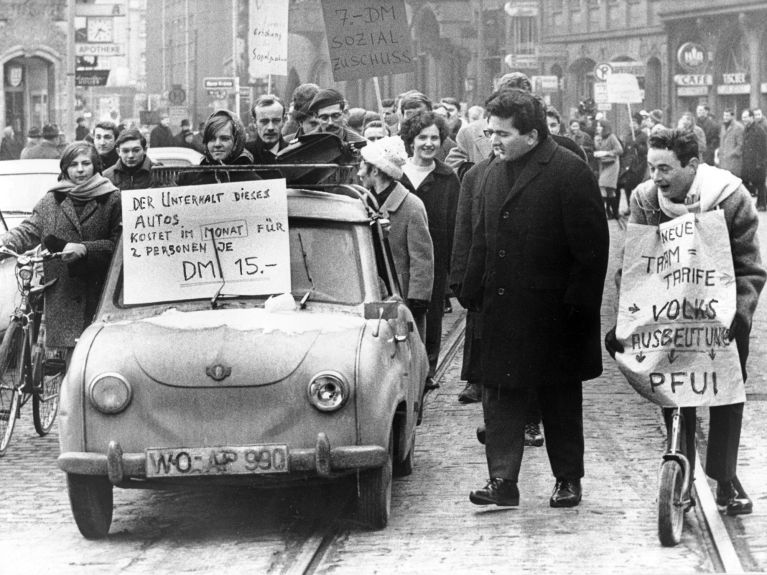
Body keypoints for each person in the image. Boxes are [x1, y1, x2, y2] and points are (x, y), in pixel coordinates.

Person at [460, 88, 608, 508]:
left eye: (502, 134)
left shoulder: (568, 172)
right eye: (490, 132)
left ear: (532, 134)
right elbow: (482, 240)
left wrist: (576, 312)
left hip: (554, 316)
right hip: (502, 310)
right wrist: (470, 291)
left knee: (559, 399)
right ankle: (502, 481)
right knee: (501, 398)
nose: (493, 141)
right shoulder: (490, 173)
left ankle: (567, 479)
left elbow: (591, 253)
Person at [605, 129, 765, 515]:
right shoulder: (645, 198)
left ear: (693, 165)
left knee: (725, 393)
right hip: (667, 312)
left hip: (720, 315)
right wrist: (627, 321)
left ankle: (725, 477)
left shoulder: (730, 197)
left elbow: (749, 267)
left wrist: (739, 315)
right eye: (652, 167)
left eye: (665, 169)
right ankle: (683, 466)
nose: (656, 177)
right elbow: (638, 265)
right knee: (674, 388)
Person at [0, 141, 121, 365]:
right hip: (62, 293)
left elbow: (120, 244)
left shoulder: (112, 199)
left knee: (97, 362)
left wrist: (86, 248)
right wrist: (4, 243)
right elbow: (29, 230)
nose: (81, 169)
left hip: (99, 293)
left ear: (96, 166)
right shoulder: (52, 200)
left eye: (86, 163)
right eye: (74, 164)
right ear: (65, 168)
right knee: (64, 365)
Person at [399, 111, 460, 391]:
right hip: (399, 259)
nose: (428, 143)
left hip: (434, 261)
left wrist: (451, 268)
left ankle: (426, 370)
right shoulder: (397, 175)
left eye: (434, 137)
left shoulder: (448, 178)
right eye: (422, 137)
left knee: (431, 315)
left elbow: (455, 223)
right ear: (411, 140)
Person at [357, 136, 434, 336]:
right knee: (375, 344)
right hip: (371, 293)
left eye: (362, 167)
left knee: (402, 349)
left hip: (400, 298)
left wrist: (417, 300)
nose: (358, 173)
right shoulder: (362, 204)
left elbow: (422, 258)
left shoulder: (412, 206)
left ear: (374, 170)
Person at [176, 109, 259, 186]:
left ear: (236, 142)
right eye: (211, 139)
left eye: (224, 139)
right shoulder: (191, 179)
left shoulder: (253, 183)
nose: (217, 144)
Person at [617, 113, 648, 213]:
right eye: (631, 122)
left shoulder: (643, 136)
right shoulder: (628, 136)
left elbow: (645, 150)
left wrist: (638, 146)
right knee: (627, 186)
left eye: (635, 122)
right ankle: (630, 207)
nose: (633, 124)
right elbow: (625, 150)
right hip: (628, 165)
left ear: (639, 124)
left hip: (639, 165)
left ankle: (639, 208)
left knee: (637, 186)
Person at [244, 94, 289, 163]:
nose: (270, 128)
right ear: (254, 122)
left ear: (284, 120)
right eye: (264, 121)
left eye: (276, 121)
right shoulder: (244, 155)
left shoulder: (293, 153)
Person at [594, 119, 623, 219]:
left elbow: (619, 150)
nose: (598, 128)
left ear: (604, 128)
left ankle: (604, 212)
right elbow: (598, 149)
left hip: (612, 165)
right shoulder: (599, 137)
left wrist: (606, 153)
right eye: (597, 126)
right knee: (610, 190)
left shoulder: (612, 137)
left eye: (600, 126)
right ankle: (614, 213)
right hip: (604, 164)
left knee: (602, 185)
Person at [740, 109, 767, 211]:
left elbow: (763, 148)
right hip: (748, 161)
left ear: (752, 117)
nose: (744, 120)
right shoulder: (746, 129)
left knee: (760, 184)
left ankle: (762, 205)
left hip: (757, 162)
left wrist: (760, 163)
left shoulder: (758, 130)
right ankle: (756, 203)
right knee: (748, 182)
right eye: (743, 118)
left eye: (746, 117)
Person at [718, 108, 744, 177]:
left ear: (732, 116)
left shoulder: (738, 127)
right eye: (724, 115)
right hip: (723, 161)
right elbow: (721, 142)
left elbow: (740, 145)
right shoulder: (723, 126)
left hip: (733, 161)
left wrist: (732, 153)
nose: (725, 117)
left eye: (727, 116)